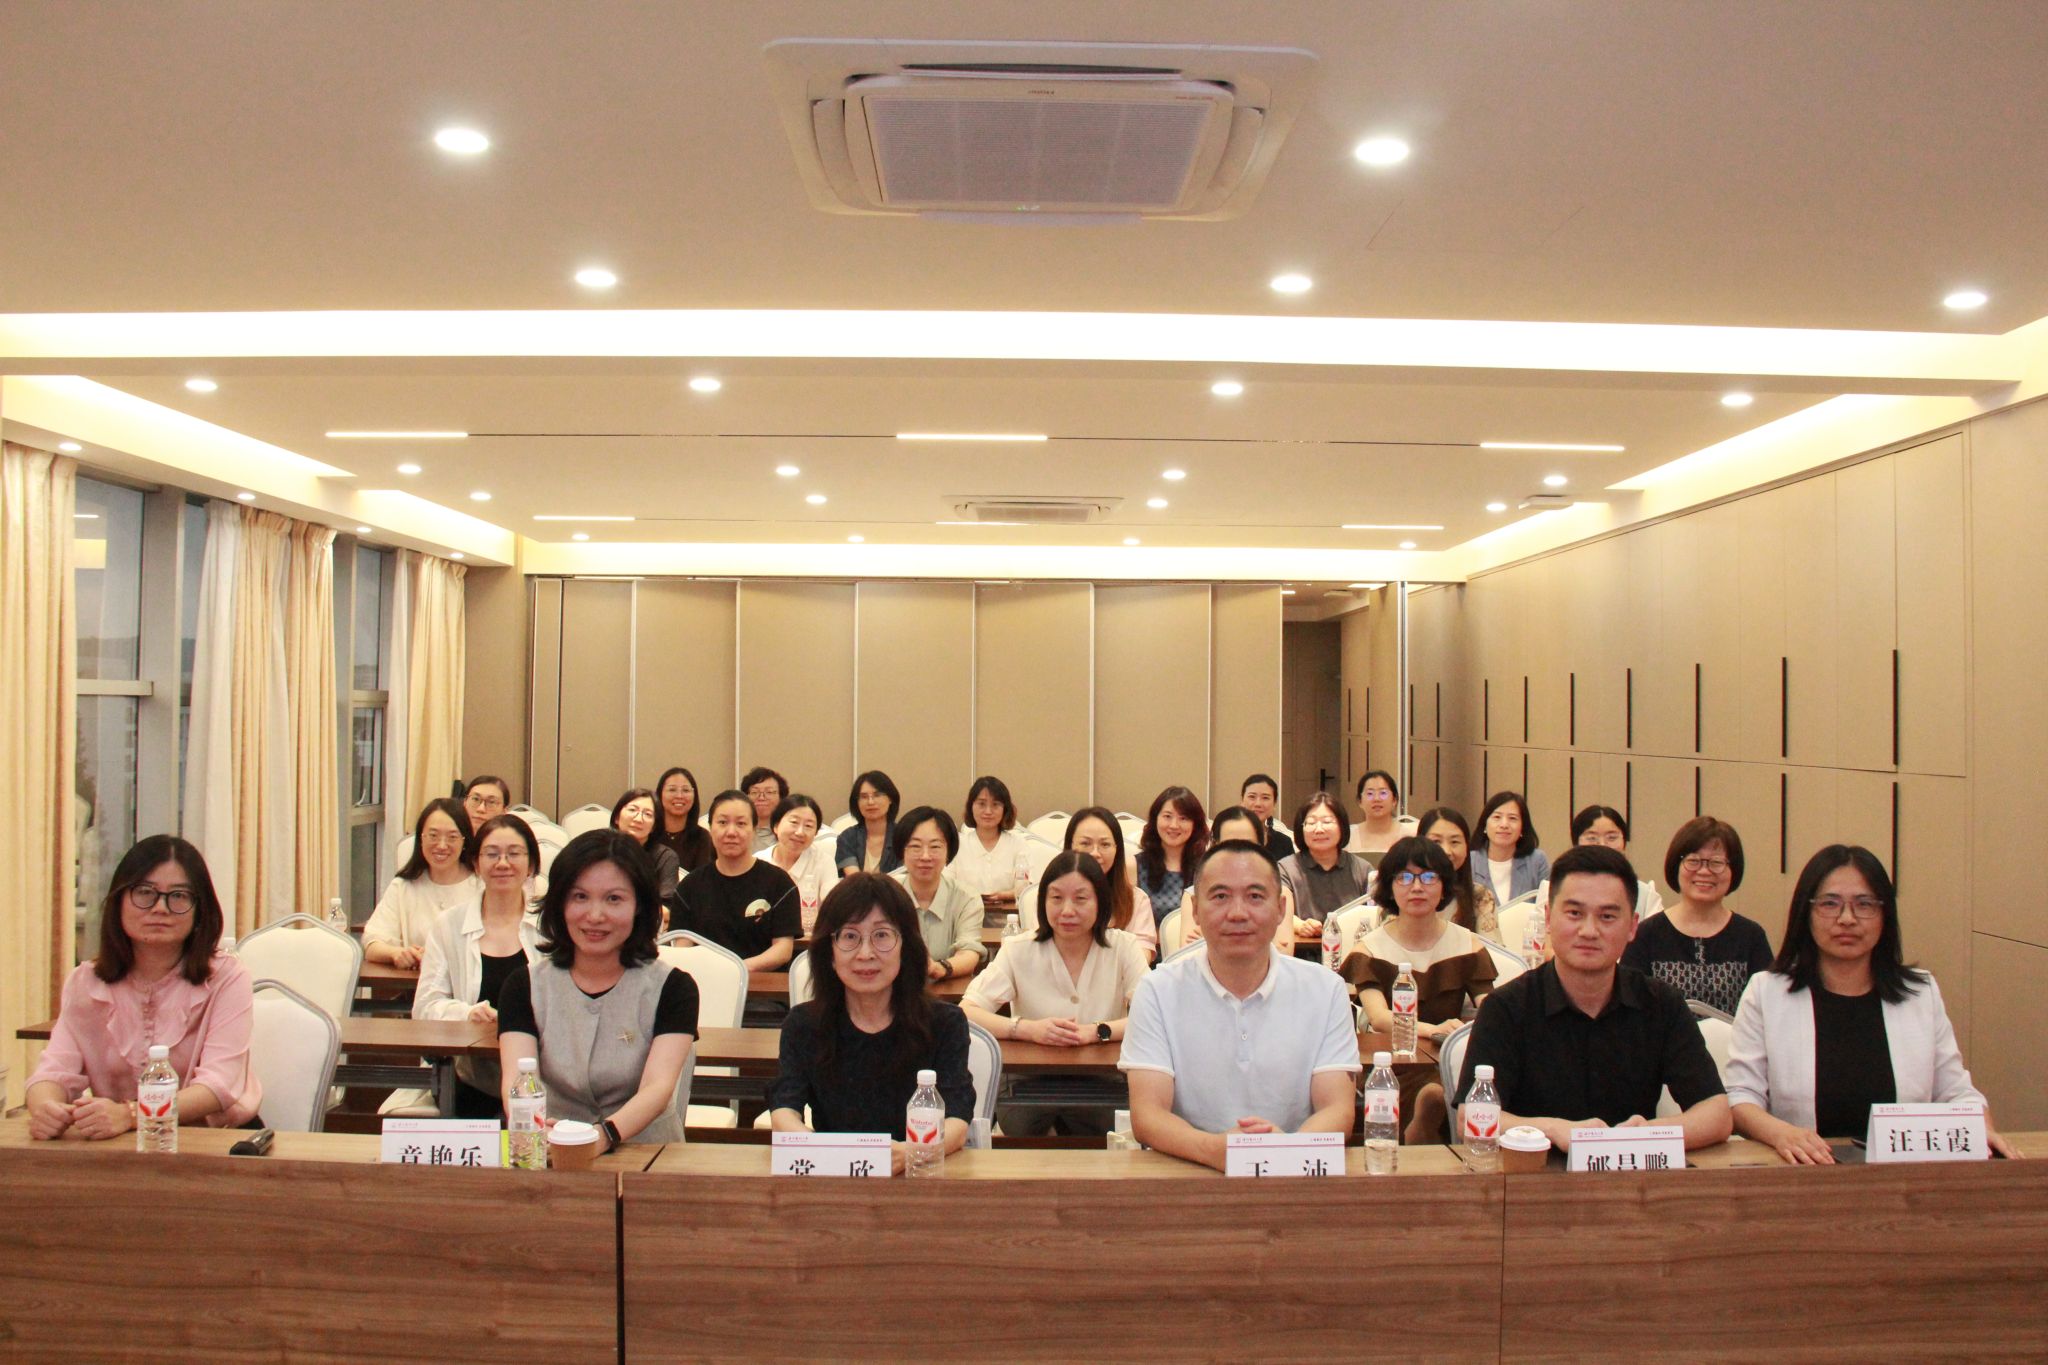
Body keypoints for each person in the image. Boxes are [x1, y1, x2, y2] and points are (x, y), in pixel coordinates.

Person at [1728, 845, 2015, 1162]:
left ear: (1884, 914)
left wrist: (1980, 1126)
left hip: (1902, 1174)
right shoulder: (1767, 993)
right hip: (1804, 1170)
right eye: (1829, 904)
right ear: (1805, 913)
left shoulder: (1920, 993)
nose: (1847, 919)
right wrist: (1781, 1133)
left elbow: (1955, 1091)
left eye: (1864, 904)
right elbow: (1741, 1096)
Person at [1454, 845, 1732, 1153]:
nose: (1589, 931)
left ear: (1633, 926)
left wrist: (1648, 1134)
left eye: (1607, 916)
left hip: (1631, 1170)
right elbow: (1471, 1118)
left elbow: (1716, 1115)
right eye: (1574, 913)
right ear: (1548, 918)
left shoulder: (1661, 1004)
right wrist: (1554, 1130)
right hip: (1534, 1172)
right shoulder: (1506, 1007)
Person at [1120, 840, 1361, 1171]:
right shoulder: (1157, 990)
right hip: (1189, 1170)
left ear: (1281, 909)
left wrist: (1284, 1152)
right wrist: (1217, 1151)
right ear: (1195, 910)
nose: (1237, 913)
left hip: (1295, 1173)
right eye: (1220, 896)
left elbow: (1337, 1110)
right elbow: (1148, 1116)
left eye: (1255, 896)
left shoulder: (1325, 990)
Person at [28, 835, 260, 1139]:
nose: (160, 908)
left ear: (200, 910)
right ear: (118, 902)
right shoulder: (86, 982)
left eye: (179, 896)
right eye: (145, 892)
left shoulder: (226, 977)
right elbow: (53, 1072)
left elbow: (218, 1086)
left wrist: (132, 1114)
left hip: (216, 1140)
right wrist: (46, 1108)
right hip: (121, 1140)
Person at [498, 830, 698, 1148]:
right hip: (551, 1149)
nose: (595, 916)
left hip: (647, 1153)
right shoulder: (525, 985)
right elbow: (517, 1080)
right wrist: (537, 1132)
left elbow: (657, 1089)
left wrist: (601, 1137)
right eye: (580, 897)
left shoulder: (674, 988)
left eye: (614, 899)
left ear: (640, 906)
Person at [769, 874, 975, 1173]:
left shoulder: (945, 1023)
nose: (866, 954)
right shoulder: (804, 1024)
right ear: (829, 953)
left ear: (906, 947)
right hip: (835, 1177)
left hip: (918, 1174)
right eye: (850, 936)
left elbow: (957, 1120)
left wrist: (914, 1152)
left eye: (881, 935)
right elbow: (784, 1111)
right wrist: (823, 1153)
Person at [963, 851, 1149, 1135]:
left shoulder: (1124, 947)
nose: (1067, 911)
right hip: (1028, 1080)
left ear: (1101, 902)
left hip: (1102, 1078)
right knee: (1020, 1127)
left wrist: (1097, 1031)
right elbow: (967, 1011)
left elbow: (1151, 1015)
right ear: (1042, 902)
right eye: (1056, 898)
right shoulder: (1019, 949)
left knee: (1107, 1127)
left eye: (1081, 899)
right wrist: (1027, 1029)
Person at [1338, 836, 1497, 1142]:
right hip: (1396, 1060)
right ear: (1389, 887)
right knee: (1429, 1089)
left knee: (1459, 1075)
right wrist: (1432, 1029)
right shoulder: (1369, 948)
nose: (1417, 887)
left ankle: (1427, 1122)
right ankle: (1423, 1119)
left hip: (1450, 1055)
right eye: (1405, 878)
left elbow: (1489, 1006)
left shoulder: (1466, 942)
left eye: (1428, 877)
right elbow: (1379, 1017)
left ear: (1444, 887)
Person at [415, 813, 545, 1119]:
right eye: (492, 854)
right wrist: (467, 1013)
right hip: (470, 1073)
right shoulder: (449, 925)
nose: (503, 863)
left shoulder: (550, 925)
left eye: (514, 854)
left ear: (531, 865)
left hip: (542, 1070)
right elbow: (425, 1007)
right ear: (475, 863)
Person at [1621, 816, 1771, 1017]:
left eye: (1716, 862)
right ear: (1676, 865)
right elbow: (1628, 1007)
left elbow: (1768, 1009)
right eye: (1693, 861)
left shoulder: (1751, 937)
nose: (1704, 871)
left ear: (1733, 870)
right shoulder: (1647, 934)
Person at [673, 790, 802, 971]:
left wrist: (736, 970)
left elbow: (782, 950)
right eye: (722, 822)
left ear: (754, 829)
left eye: (741, 823)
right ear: (710, 828)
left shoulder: (780, 883)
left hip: (761, 984)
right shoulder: (689, 887)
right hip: (706, 981)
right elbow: (682, 947)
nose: (731, 832)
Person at [364, 798, 481, 968]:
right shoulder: (403, 887)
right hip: (416, 982)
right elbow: (372, 944)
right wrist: (397, 953)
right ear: (421, 839)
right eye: (433, 836)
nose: (442, 845)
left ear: (464, 841)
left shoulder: (482, 886)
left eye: (452, 837)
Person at [1176, 806, 1302, 951]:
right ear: (1214, 845)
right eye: (1229, 845)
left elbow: (1283, 951)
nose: (1239, 853)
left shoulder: (1280, 893)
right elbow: (1189, 951)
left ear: (1261, 846)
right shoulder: (1195, 894)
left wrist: (1211, 939)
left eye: (1247, 845)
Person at [888, 806, 985, 982]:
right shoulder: (885, 894)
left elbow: (969, 952)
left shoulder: (966, 898)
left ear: (949, 852)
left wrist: (939, 968)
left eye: (935, 847)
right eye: (915, 846)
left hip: (946, 991)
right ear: (902, 851)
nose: (925, 856)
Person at [1062, 806, 1158, 959]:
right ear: (1070, 846)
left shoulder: (1136, 899)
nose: (1095, 853)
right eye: (1085, 843)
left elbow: (1142, 957)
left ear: (1116, 849)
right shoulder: (1052, 896)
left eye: (1105, 844)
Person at [948, 775, 1038, 923]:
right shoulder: (958, 845)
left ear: (1005, 809)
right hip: (964, 920)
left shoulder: (1018, 844)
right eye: (981, 804)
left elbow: (1029, 888)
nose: (988, 811)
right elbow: (947, 886)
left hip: (1009, 922)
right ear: (971, 807)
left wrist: (1006, 895)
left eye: (995, 805)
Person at [1550, 805, 1664, 920]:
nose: (1602, 845)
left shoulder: (1646, 895)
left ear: (1624, 842)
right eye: (1592, 838)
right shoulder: (1555, 887)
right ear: (1576, 844)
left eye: (1612, 838)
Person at [1276, 793, 1374, 923]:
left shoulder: (1363, 869)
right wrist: (1297, 924)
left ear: (1342, 826)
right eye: (1311, 823)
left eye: (1327, 822)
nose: (1319, 829)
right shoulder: (1285, 869)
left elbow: (1377, 914)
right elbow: (1278, 912)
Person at [764, 793, 840, 936]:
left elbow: (833, 908)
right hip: (765, 942)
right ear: (776, 826)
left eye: (809, 826)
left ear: (816, 833)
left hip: (809, 942)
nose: (800, 832)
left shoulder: (824, 862)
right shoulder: (759, 861)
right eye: (794, 822)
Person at [1135, 786, 1209, 929]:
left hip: (1195, 942)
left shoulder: (1207, 867)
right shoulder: (1134, 866)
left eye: (1183, 818)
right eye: (1167, 816)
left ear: (1195, 824)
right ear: (1155, 819)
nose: (1174, 825)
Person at [1418, 806, 1498, 937]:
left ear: (1467, 848)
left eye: (1454, 842)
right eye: (1436, 842)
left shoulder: (1480, 896)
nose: (1446, 851)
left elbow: (1491, 947)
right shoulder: (1405, 892)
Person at [611, 786, 682, 913]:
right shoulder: (598, 849)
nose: (638, 819)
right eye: (632, 810)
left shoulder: (665, 857)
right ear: (617, 817)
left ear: (654, 825)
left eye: (648, 814)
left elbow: (666, 908)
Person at [1475, 791, 1548, 909]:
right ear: (1485, 825)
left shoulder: (1537, 861)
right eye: (1497, 817)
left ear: (1522, 827)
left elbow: (1547, 907)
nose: (1504, 825)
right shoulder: (1469, 862)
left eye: (1512, 818)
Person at [834, 769, 902, 876]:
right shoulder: (847, 838)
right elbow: (854, 879)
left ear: (890, 799)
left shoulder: (903, 837)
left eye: (877, 795)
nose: (870, 802)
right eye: (864, 797)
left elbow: (902, 877)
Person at [650, 765, 714, 874]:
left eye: (686, 790)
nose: (679, 796)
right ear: (660, 794)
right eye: (672, 790)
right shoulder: (649, 834)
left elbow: (704, 878)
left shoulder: (702, 837)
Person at [1347, 769, 1418, 867]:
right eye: (1370, 794)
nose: (1377, 799)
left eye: (1383, 793)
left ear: (1394, 800)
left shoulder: (1411, 835)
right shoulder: (1348, 836)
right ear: (1360, 801)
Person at [1239, 773, 1295, 860]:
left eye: (1265, 798)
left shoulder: (1284, 842)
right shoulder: (1228, 836)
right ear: (1242, 801)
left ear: (1274, 804)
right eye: (1252, 797)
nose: (1258, 804)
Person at [740, 766, 789, 851]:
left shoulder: (789, 831)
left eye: (769, 792)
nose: (761, 797)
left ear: (781, 797)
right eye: (754, 792)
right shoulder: (738, 830)